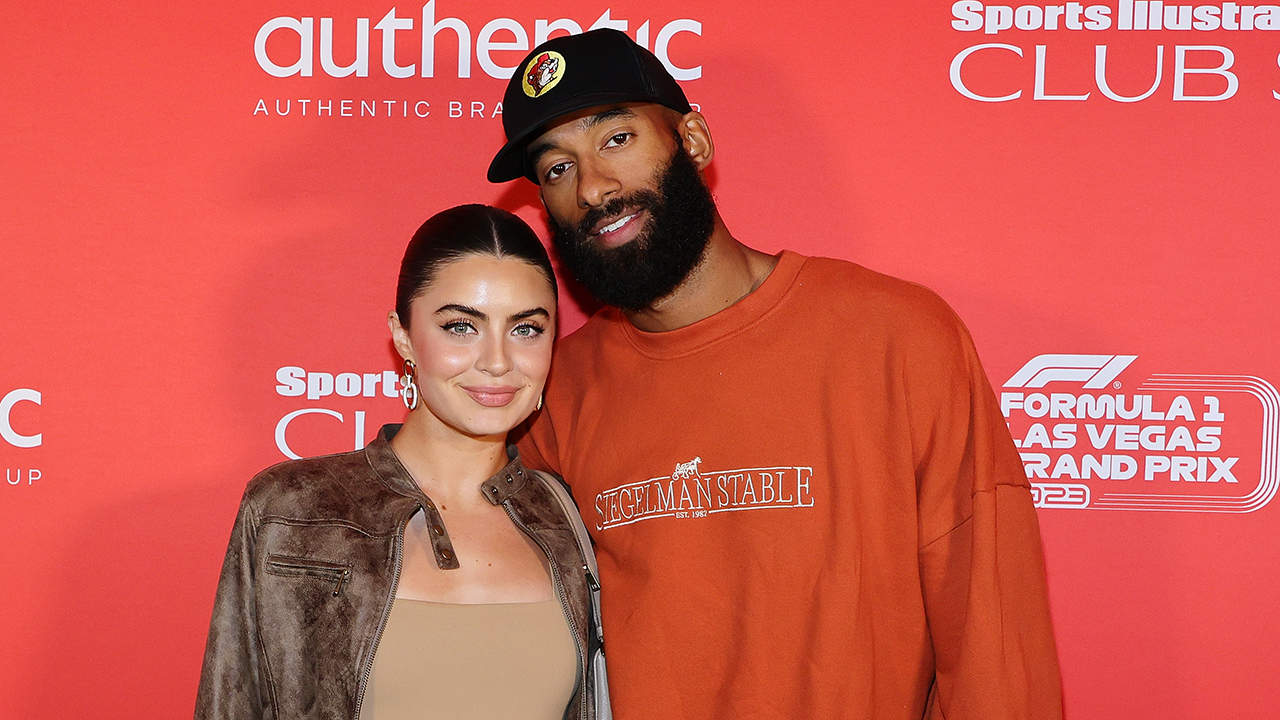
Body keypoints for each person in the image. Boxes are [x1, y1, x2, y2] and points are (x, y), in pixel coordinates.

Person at [489, 29, 1063, 720]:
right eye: (556, 168)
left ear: (694, 141)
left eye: (616, 139)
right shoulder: (555, 391)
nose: (593, 187)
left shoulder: (895, 336)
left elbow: (991, 631)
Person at [195, 204, 603, 720]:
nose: (498, 360)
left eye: (526, 329)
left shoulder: (567, 516)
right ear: (404, 335)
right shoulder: (292, 509)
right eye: (461, 326)